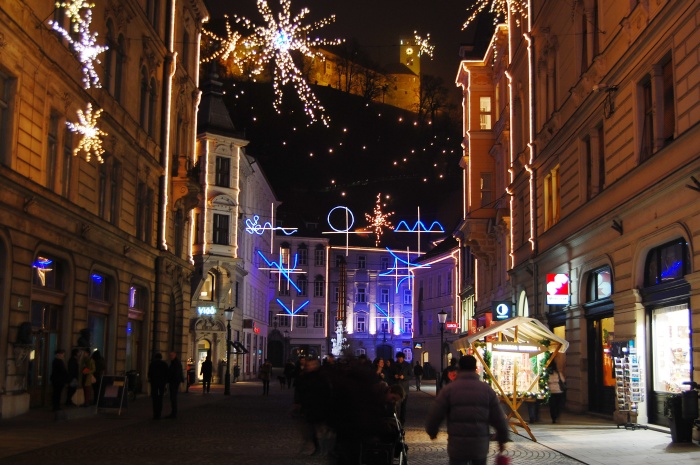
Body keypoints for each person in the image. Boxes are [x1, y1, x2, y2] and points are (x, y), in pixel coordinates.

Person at [425, 355, 510, 465]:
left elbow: (436, 412)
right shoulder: (486, 389)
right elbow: (498, 416)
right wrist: (502, 437)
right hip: (479, 444)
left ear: (459, 368)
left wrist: (432, 431)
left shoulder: (450, 389)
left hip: (457, 445)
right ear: (475, 368)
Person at [392, 352, 411, 425]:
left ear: (403, 358)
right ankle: (395, 420)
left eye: (401, 357)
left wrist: (404, 377)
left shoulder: (407, 365)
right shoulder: (394, 365)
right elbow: (390, 374)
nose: (399, 359)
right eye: (398, 358)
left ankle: (402, 421)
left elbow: (411, 375)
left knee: (403, 406)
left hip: (404, 388)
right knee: (395, 405)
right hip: (396, 388)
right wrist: (394, 376)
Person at [147, 353, 168, 419]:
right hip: (161, 383)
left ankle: (155, 413)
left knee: (154, 398)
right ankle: (159, 413)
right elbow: (166, 373)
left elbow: (149, 374)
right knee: (160, 398)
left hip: (154, 383)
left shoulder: (152, 364)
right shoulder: (164, 364)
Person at [166, 351, 184, 418]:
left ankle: (174, 413)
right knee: (173, 397)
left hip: (174, 382)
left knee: (173, 397)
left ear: (175, 355)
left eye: (172, 355)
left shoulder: (175, 363)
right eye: (170, 355)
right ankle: (173, 412)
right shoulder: (175, 362)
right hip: (174, 382)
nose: (170, 357)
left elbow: (176, 373)